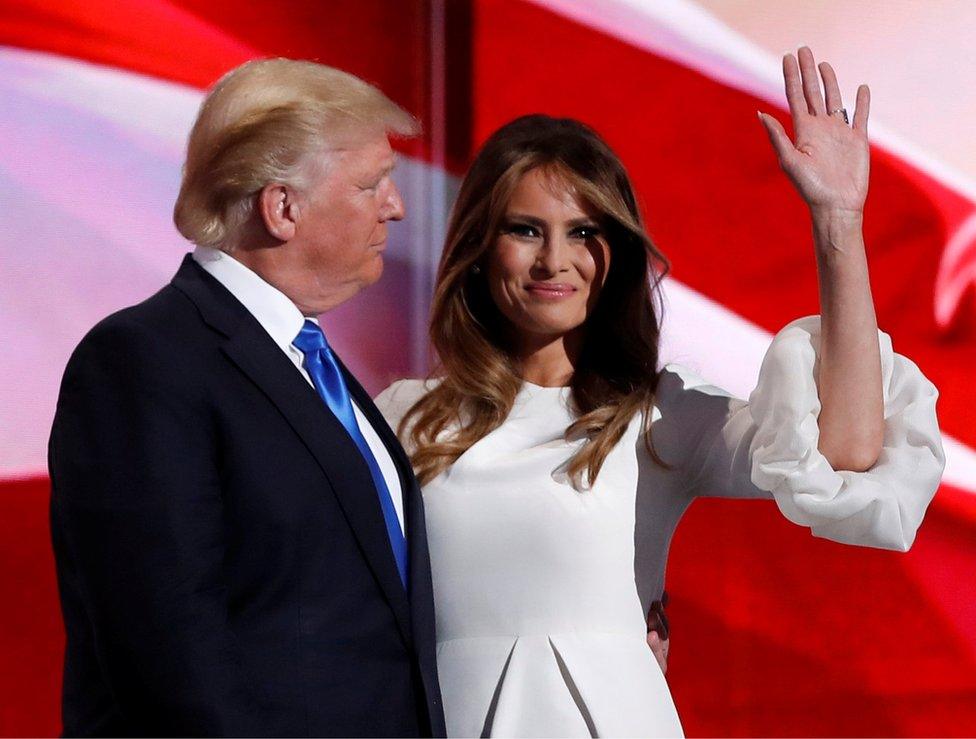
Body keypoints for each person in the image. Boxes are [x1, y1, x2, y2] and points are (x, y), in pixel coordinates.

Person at [373, 47, 946, 736]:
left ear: (615, 252)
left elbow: (846, 454)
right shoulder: (401, 416)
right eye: (526, 230)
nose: (555, 260)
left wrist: (838, 225)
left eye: (584, 233)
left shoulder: (658, 414)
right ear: (479, 243)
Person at [48, 58, 446, 736]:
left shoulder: (306, 361)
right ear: (283, 207)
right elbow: (169, 655)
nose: (396, 206)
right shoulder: (144, 361)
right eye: (372, 183)